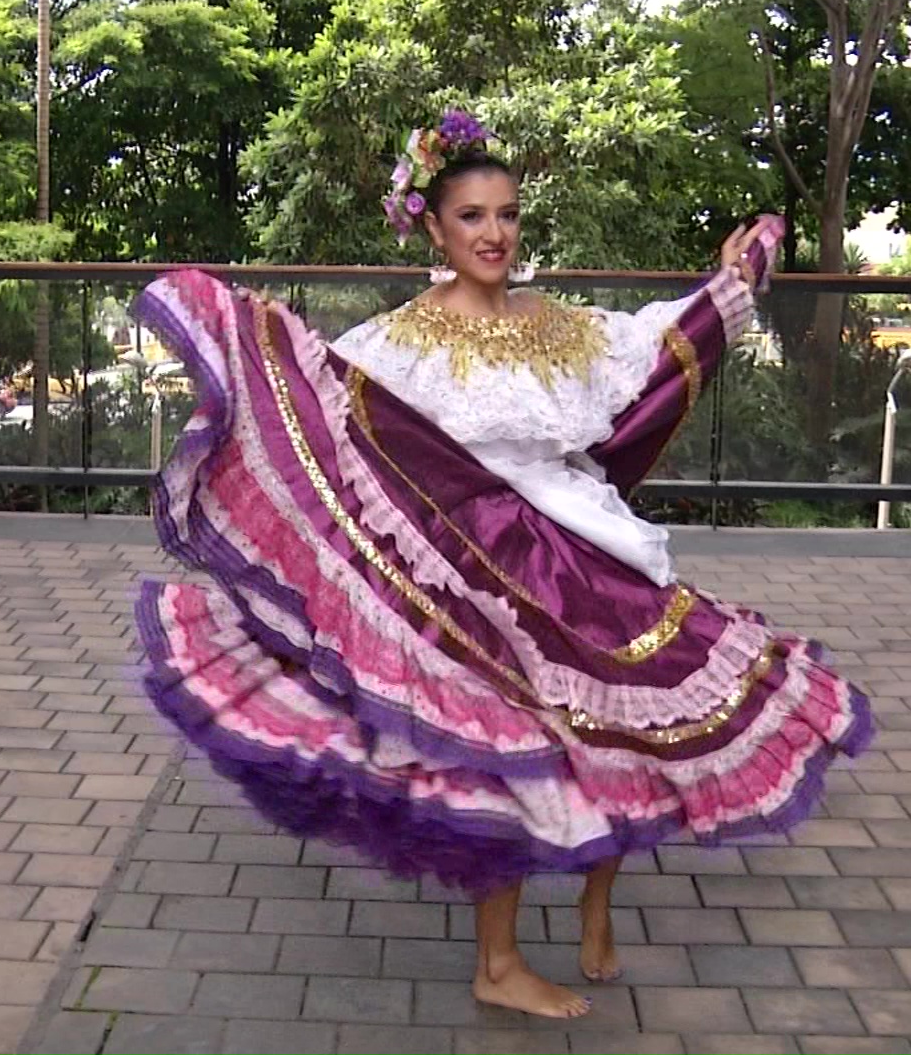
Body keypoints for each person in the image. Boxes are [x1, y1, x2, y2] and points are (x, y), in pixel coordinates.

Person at [131, 110, 873, 1019]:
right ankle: (499, 962)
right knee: (514, 752)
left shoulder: (563, 325)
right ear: (434, 229)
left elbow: (655, 344)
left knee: (625, 726)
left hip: (583, 550)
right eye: (473, 216)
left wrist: (732, 275)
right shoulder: (394, 343)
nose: (494, 233)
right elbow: (329, 426)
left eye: (508, 214)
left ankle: (598, 907)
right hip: (472, 571)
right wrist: (241, 338)